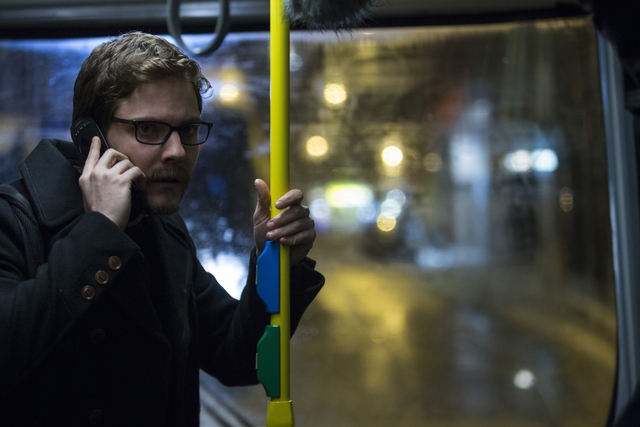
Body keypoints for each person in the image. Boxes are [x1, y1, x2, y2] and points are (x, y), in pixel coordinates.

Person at [0, 31, 324, 426]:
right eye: (148, 129)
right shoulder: (14, 221)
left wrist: (276, 257)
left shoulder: (163, 229)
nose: (176, 152)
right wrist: (100, 230)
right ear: (91, 140)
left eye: (188, 130)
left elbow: (237, 356)